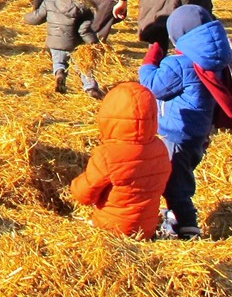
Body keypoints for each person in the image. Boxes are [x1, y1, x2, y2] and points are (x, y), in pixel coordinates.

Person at [139, 4, 232, 240]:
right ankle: (175, 218)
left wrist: (153, 55)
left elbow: (151, 86)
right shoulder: (213, 61)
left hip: (175, 134)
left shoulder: (180, 65)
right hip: (196, 134)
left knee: (174, 184)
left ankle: (187, 228)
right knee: (178, 177)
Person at [69, 83, 173, 239]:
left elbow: (84, 196)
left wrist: (75, 184)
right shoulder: (160, 148)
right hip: (145, 230)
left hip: (111, 229)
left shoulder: (107, 155)